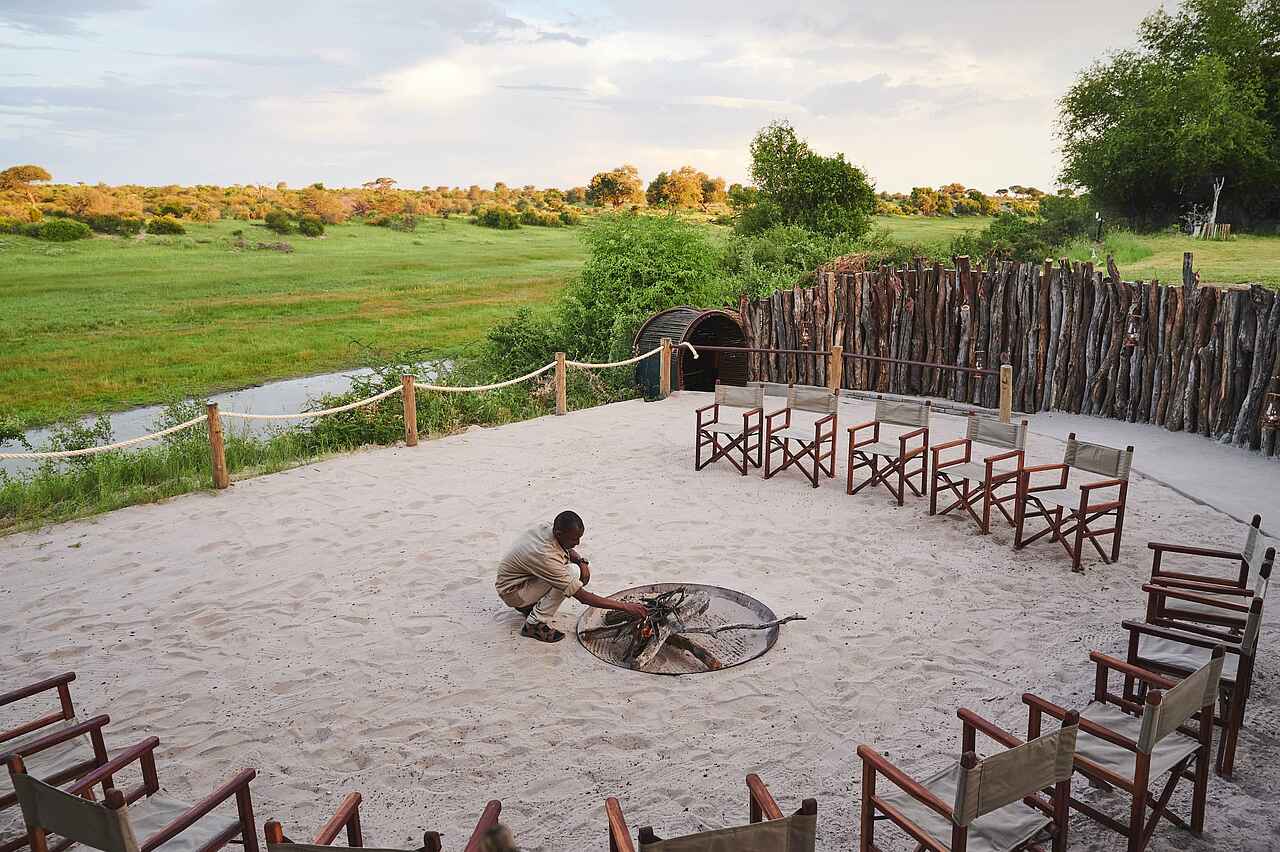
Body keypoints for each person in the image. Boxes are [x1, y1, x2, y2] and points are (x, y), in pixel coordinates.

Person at [495, 510, 648, 643]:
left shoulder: (548, 528)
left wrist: (582, 562)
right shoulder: (545, 555)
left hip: (520, 581)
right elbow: (582, 597)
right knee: (572, 572)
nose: (578, 543)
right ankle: (534, 625)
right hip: (513, 592)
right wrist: (625, 607)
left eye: (579, 537)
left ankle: (529, 607)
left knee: (574, 568)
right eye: (574, 539)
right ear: (559, 533)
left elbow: (566, 549)